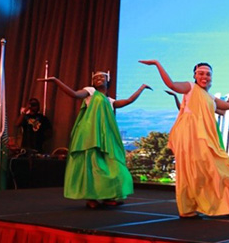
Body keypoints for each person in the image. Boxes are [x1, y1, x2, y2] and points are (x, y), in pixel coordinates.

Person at [140, 60, 229, 218]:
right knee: (195, 172)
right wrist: (157, 64)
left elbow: (228, 106)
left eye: (208, 74)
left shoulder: (210, 97)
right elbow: (171, 84)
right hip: (190, 137)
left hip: (205, 138)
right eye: (201, 73)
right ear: (195, 75)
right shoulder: (190, 87)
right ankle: (189, 208)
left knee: (212, 170)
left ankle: (219, 206)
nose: (205, 76)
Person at [39, 71, 151, 208]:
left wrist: (142, 88)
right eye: (95, 77)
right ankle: (91, 198)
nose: (98, 78)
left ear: (107, 81)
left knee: (113, 165)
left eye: (102, 77)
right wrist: (56, 80)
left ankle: (107, 196)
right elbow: (74, 94)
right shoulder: (90, 92)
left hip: (106, 136)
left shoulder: (110, 101)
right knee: (91, 166)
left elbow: (127, 101)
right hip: (90, 135)